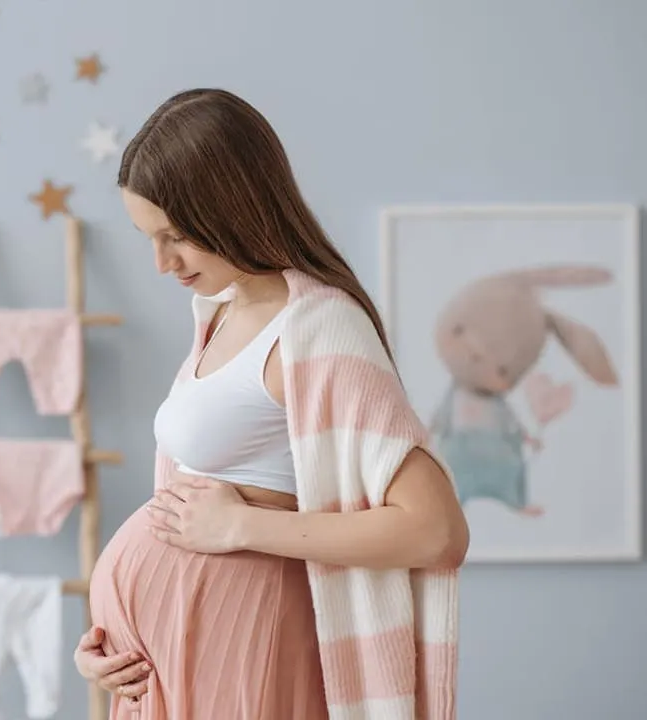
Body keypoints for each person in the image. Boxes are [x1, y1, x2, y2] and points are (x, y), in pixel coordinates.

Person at [73, 88, 469, 719]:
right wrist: (112, 642)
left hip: (246, 652)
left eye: (175, 236)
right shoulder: (221, 315)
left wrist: (244, 527)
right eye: (149, 237)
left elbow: (436, 530)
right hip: (172, 668)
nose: (161, 262)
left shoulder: (319, 328)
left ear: (231, 206)